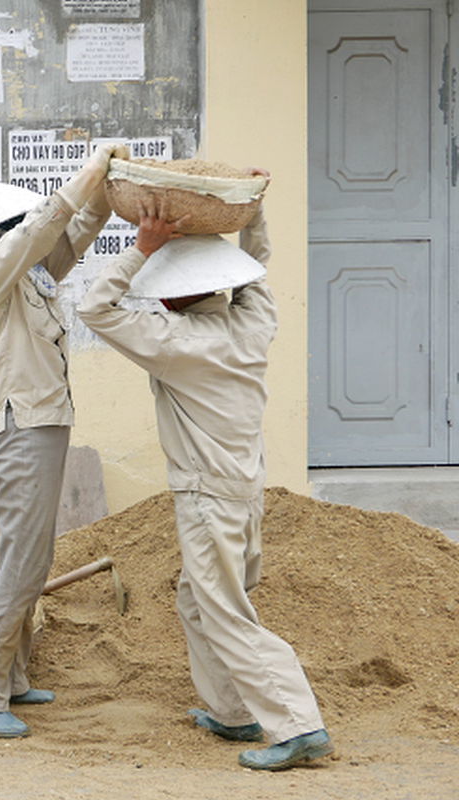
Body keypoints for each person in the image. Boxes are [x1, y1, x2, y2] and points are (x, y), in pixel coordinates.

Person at [75, 183, 334, 771]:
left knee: (225, 612)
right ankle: (234, 710)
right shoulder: (251, 321)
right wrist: (256, 210)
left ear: (166, 299)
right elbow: (257, 270)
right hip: (244, 492)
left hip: (208, 498)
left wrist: (141, 248)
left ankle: (299, 724)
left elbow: (94, 309)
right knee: (201, 599)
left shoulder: (175, 343)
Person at [0, 143, 127, 739]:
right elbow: (44, 226)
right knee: (25, 561)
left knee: (32, 556)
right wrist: (90, 169)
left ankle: (13, 676)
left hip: (41, 426)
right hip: (20, 430)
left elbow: (71, 233)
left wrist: (107, 192)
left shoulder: (30, 275)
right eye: (19, 227)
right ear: (1, 233)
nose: (31, 231)